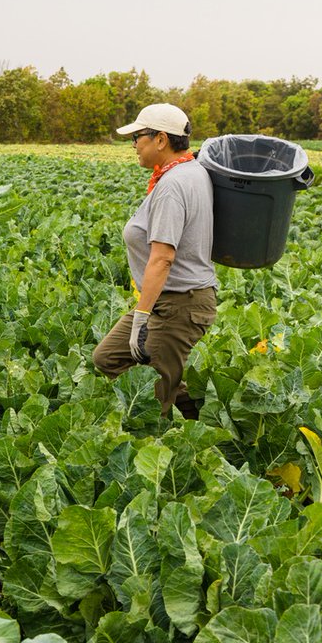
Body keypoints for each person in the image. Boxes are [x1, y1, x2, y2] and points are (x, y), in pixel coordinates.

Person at [93, 104, 216, 419]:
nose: (134, 145)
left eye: (137, 137)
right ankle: (203, 419)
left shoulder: (173, 186)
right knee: (107, 357)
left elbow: (162, 258)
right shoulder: (189, 171)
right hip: (168, 301)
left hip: (179, 305)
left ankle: (171, 444)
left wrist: (141, 318)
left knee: (153, 408)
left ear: (161, 139)